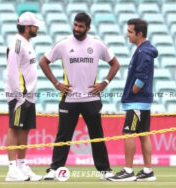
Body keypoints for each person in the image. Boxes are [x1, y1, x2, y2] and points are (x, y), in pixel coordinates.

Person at [39, 12, 120, 180]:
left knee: (97, 135)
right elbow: (43, 61)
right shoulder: (63, 44)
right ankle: (54, 169)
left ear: (88, 28)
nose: (77, 29)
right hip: (70, 99)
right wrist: (56, 84)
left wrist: (104, 83)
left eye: (80, 26)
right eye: (75, 25)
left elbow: (115, 63)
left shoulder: (97, 44)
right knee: (63, 136)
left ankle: (105, 171)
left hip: (91, 99)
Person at [108, 19, 158, 182]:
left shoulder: (143, 52)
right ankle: (147, 171)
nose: (127, 34)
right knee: (143, 134)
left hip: (136, 101)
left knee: (128, 132)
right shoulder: (143, 50)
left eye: (130, 31)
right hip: (142, 101)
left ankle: (128, 171)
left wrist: (132, 92)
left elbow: (141, 77)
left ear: (140, 33)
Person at [4, 11, 44, 182]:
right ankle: (12, 169)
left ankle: (22, 165)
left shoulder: (26, 43)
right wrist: (18, 94)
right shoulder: (17, 44)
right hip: (19, 94)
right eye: (35, 26)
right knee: (14, 127)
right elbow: (12, 71)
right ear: (27, 27)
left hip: (29, 95)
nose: (37, 28)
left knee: (24, 129)